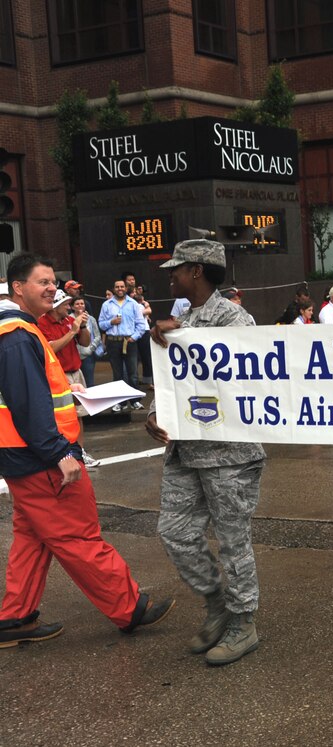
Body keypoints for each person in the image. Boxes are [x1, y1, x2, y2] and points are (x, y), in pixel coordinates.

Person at [0, 254, 174, 649]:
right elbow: (26, 404)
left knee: (33, 537)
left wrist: (69, 392)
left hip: (21, 458)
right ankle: (129, 608)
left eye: (53, 281)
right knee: (77, 535)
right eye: (40, 281)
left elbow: (26, 395)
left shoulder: (15, 332)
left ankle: (13, 619)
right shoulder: (17, 335)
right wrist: (58, 453)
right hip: (41, 460)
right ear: (18, 288)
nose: (51, 288)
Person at [145, 239, 267, 666]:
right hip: (187, 448)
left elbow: (252, 375)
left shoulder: (232, 317)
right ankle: (218, 602)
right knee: (174, 532)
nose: (171, 276)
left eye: (177, 269)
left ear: (197, 271)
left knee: (234, 542)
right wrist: (156, 410)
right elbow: (178, 380)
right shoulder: (184, 318)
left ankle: (242, 622)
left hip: (230, 454)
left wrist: (191, 337)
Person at [36, 289, 100, 468]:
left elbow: (85, 343)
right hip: (58, 375)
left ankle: (80, 452)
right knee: (60, 416)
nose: (69, 307)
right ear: (55, 306)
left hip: (76, 372)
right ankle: (64, 453)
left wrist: (83, 327)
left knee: (78, 415)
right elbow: (50, 349)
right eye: (65, 304)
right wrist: (72, 332)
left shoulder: (69, 320)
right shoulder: (42, 323)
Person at [98, 278, 145, 393]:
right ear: (114, 289)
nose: (120, 289)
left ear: (126, 288)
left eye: (122, 286)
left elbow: (141, 324)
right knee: (117, 374)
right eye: (117, 287)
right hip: (113, 341)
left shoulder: (133, 304)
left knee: (133, 373)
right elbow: (101, 324)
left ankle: (135, 400)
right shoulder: (106, 305)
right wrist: (111, 322)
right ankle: (120, 402)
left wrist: (134, 337)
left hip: (129, 341)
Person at [73, 296, 104, 389]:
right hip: (74, 355)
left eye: (82, 304)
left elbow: (98, 336)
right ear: (72, 306)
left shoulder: (91, 319)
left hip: (87, 355)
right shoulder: (68, 319)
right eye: (77, 304)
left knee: (89, 382)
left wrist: (91, 348)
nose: (80, 306)